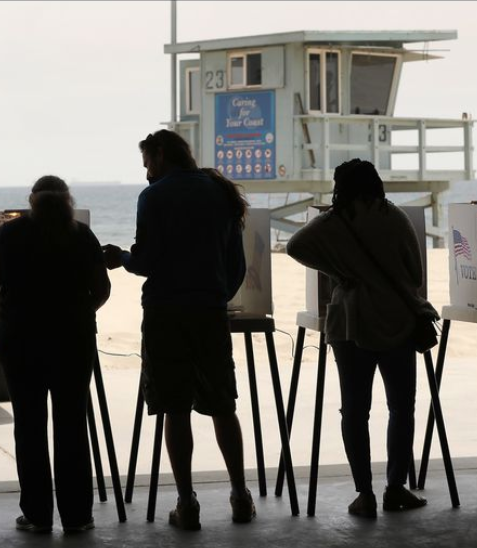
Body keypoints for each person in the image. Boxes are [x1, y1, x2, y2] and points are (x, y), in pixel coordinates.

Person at [102, 130, 254, 530]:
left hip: (166, 313)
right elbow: (236, 265)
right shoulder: (219, 193)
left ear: (162, 155)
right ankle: (240, 495)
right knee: (223, 404)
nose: (147, 174)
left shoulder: (154, 198)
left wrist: (121, 258)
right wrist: (216, 295)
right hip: (209, 312)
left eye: (148, 163)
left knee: (174, 407)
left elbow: (148, 260)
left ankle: (187, 504)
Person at [286, 159, 434, 518]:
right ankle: (396, 487)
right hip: (396, 321)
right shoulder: (393, 217)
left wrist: (340, 272)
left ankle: (364, 493)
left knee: (355, 410)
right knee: (401, 407)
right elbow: (414, 272)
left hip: (350, 324)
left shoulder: (332, 222)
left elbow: (295, 246)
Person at [0, 175, 111, 534]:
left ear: (31, 200)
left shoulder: (8, 234)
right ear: (68, 199)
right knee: (71, 425)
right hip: (73, 340)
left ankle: (37, 514)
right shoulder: (81, 235)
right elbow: (102, 288)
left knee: (30, 426)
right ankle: (77, 516)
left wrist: (4, 305)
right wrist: (83, 312)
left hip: (21, 339)